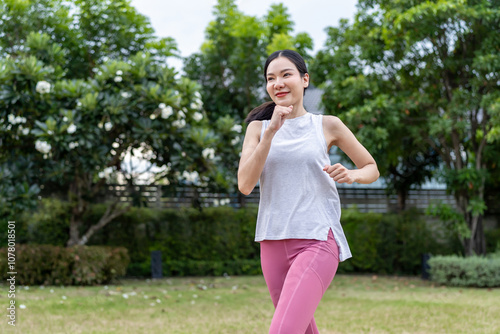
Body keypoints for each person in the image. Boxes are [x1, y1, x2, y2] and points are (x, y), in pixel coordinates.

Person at [237, 49, 379, 334]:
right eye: (271, 78)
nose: (278, 82)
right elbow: (245, 184)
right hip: (272, 243)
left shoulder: (327, 125)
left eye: (286, 74)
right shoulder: (258, 129)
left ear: (304, 79)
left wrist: (352, 174)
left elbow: (371, 167)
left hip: (316, 239)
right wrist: (271, 133)